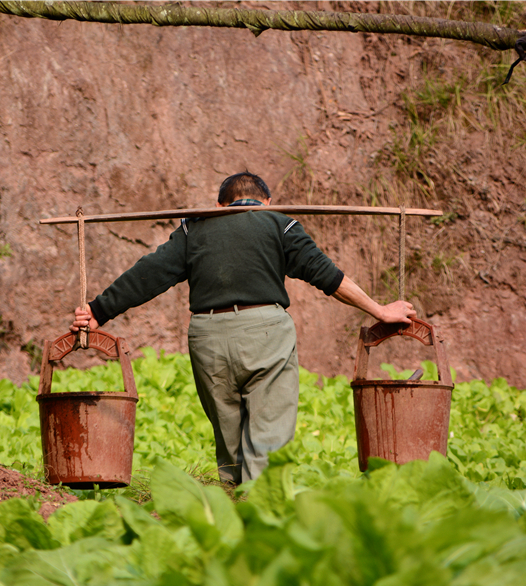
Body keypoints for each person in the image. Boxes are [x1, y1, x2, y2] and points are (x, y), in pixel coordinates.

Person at [71, 171, 415, 485]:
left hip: (207, 338)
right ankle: (261, 520)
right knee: (266, 443)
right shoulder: (277, 223)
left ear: (219, 205)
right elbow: (329, 277)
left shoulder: (195, 228)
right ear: (267, 201)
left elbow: (147, 275)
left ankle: (233, 512)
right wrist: (379, 310)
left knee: (230, 447)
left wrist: (98, 311)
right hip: (266, 333)